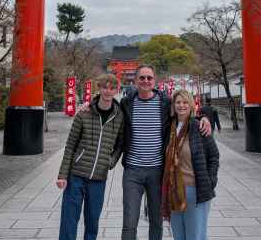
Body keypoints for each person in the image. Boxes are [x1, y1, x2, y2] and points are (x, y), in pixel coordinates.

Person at [120, 64, 212, 240]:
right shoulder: (127, 102)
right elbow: (108, 109)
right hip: (132, 170)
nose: (146, 81)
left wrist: (204, 118)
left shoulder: (165, 102)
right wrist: (89, 104)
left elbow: (183, 110)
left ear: (155, 81)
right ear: (135, 80)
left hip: (158, 171)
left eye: (149, 78)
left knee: (156, 220)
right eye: (142, 77)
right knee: (129, 221)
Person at [56, 74, 124, 240]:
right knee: (69, 219)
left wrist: (111, 161)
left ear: (116, 90)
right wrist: (62, 175)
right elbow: (70, 145)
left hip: (99, 178)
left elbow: (121, 145)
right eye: (104, 87)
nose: (107, 91)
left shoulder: (119, 117)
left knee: (92, 221)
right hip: (76, 175)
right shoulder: (83, 114)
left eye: (112, 88)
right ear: (99, 88)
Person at [162, 90, 219, 240]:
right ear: (173, 105)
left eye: (185, 102)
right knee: (179, 235)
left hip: (195, 190)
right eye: (178, 102)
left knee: (195, 235)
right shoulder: (169, 128)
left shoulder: (199, 126)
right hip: (173, 190)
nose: (181, 105)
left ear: (191, 105)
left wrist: (210, 180)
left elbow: (214, 156)